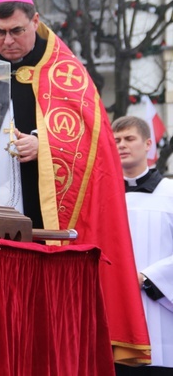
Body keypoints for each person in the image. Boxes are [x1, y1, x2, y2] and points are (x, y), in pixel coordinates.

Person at [0, 0, 150, 365]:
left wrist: (44, 148)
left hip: (42, 220)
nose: (7, 41)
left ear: (35, 21)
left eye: (17, 31)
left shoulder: (66, 71)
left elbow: (94, 148)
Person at [112, 116, 173, 374]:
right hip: (115, 309)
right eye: (116, 141)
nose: (122, 145)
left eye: (129, 139)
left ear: (148, 144)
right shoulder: (102, 195)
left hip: (161, 308)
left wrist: (148, 277)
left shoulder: (170, 192)